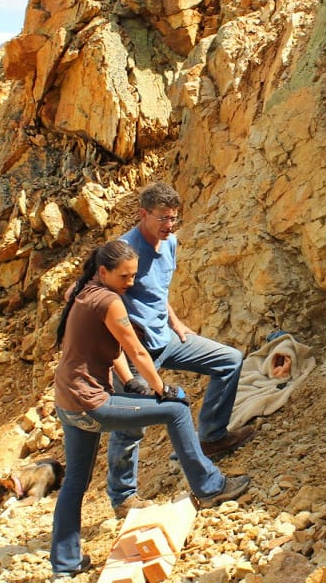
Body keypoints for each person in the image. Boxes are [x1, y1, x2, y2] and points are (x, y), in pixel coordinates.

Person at [50, 240, 251, 577]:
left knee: (74, 483)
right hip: (90, 403)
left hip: (67, 401)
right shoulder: (110, 301)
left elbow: (110, 349)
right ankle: (211, 488)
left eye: (134, 275)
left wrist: (129, 382)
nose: (131, 283)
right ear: (104, 272)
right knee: (176, 409)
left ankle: (65, 565)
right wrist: (162, 389)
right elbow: (137, 351)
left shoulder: (84, 291)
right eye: (125, 276)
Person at [104, 183, 255, 509]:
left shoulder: (169, 242)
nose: (169, 225)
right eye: (162, 218)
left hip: (167, 339)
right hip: (132, 351)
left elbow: (157, 291)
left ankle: (212, 436)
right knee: (130, 425)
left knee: (229, 360)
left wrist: (174, 322)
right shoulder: (122, 251)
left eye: (173, 218)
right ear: (143, 214)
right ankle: (123, 498)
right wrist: (120, 351)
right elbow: (99, 301)